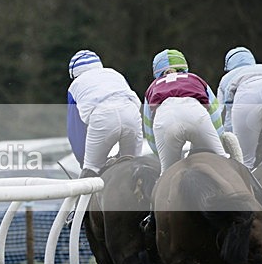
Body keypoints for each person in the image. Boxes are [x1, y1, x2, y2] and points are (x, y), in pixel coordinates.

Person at [142, 48, 227, 174]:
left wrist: (159, 153)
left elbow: (148, 128)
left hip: (165, 123)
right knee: (224, 163)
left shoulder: (152, 87)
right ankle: (256, 192)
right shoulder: (194, 78)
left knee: (167, 175)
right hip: (196, 117)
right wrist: (217, 139)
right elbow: (215, 113)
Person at [66, 49, 143, 178]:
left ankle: (85, 196)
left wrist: (84, 162)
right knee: (134, 166)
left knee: (91, 170)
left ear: (75, 74)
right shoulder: (115, 74)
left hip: (102, 118)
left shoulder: (75, 85)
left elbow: (75, 131)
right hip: (131, 114)